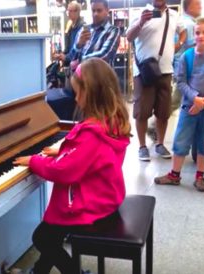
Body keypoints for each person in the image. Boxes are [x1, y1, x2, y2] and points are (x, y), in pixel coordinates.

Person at [13, 58, 131, 274]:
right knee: (53, 233)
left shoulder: (91, 134)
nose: (76, 99)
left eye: (78, 93)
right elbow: (95, 156)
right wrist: (65, 151)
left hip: (90, 202)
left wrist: (34, 160)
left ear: (92, 95)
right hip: (106, 195)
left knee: (42, 238)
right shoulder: (112, 121)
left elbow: (63, 171)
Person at [154, 18, 204, 192]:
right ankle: (174, 174)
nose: (200, 36)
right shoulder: (186, 57)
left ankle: (200, 176)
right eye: (197, 32)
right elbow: (180, 81)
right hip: (189, 106)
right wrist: (195, 98)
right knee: (181, 140)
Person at [126, 0, 186, 162]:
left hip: (166, 71)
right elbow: (129, 37)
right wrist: (141, 22)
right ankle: (142, 146)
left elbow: (183, 31)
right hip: (144, 72)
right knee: (142, 112)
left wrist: (178, 44)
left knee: (163, 112)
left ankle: (160, 144)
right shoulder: (141, 13)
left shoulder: (173, 15)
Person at [67, 0, 121, 67]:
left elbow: (105, 55)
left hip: (100, 75)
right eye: (93, 11)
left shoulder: (113, 31)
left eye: (99, 10)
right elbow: (72, 58)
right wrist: (79, 45)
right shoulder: (83, 30)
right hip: (82, 75)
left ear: (107, 10)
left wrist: (80, 60)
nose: (96, 14)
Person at [171, 0, 202, 113]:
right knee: (177, 99)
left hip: (179, 65)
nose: (200, 7)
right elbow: (195, 48)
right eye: (197, 4)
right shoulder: (190, 25)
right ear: (189, 8)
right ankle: (155, 124)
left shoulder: (182, 22)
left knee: (179, 98)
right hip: (186, 68)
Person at [53, 1, 84, 66]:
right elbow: (69, 47)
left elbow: (80, 49)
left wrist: (66, 57)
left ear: (77, 12)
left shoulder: (82, 27)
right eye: (68, 11)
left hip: (79, 64)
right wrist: (61, 55)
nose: (68, 13)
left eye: (70, 11)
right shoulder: (70, 26)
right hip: (71, 63)